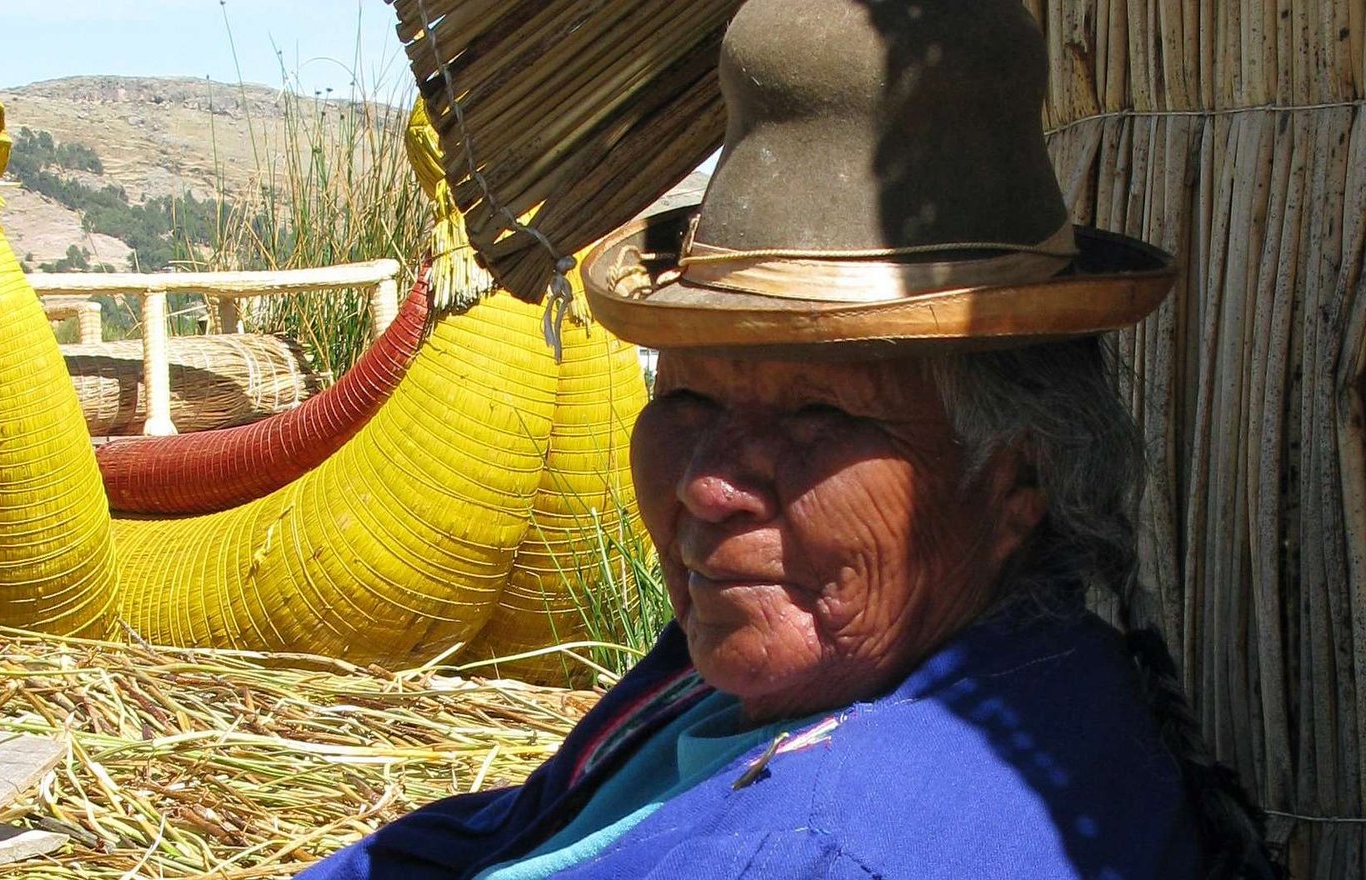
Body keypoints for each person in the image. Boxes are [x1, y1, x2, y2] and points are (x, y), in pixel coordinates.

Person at [299, 0, 1277, 877]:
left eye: (820, 414)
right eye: (683, 398)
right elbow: (511, 830)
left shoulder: (817, 846)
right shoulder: (766, 659)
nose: (711, 483)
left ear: (1017, 474)